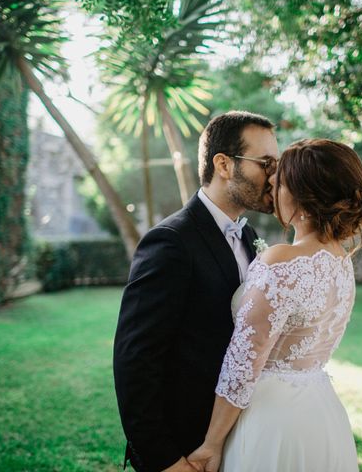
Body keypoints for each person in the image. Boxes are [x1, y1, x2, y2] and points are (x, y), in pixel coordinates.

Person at [188, 138, 362, 472]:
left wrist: (212, 444)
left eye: (278, 183)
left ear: (301, 195)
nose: (270, 185)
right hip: (320, 412)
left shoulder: (281, 261)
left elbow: (243, 364)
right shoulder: (340, 262)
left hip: (271, 419)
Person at [113, 111, 280, 472]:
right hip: (184, 448)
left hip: (235, 440)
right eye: (265, 163)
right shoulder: (170, 242)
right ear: (224, 164)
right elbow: (135, 362)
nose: (275, 176)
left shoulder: (250, 238)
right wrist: (166, 460)